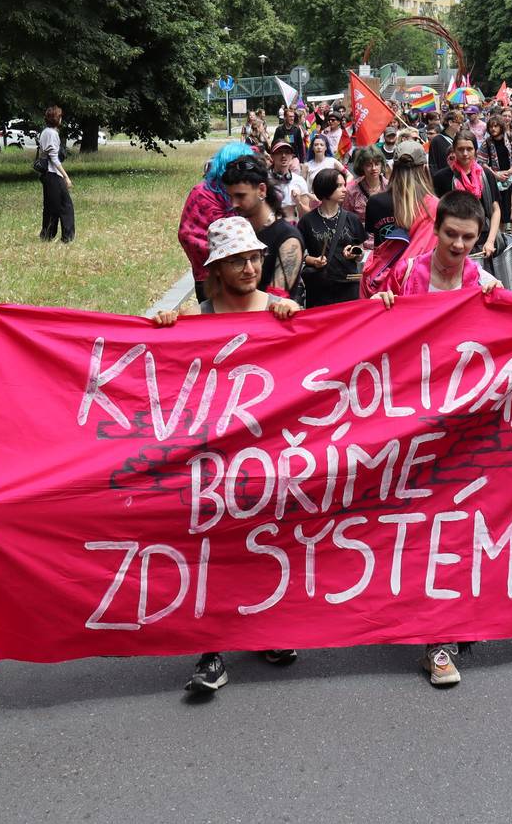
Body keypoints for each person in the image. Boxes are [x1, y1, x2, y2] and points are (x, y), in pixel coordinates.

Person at [152, 218, 300, 693]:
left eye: (255, 257)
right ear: (216, 267)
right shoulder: (199, 318)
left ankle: (269, 631)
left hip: (269, 455)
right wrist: (165, 329)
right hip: (213, 460)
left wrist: (297, 319)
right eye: (238, 259)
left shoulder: (281, 310)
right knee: (214, 551)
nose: (250, 267)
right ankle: (212, 650)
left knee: (268, 543)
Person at [369, 192, 501, 687]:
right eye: (452, 235)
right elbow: (380, 341)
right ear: (436, 228)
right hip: (411, 422)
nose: (461, 246)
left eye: (469, 238)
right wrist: (383, 308)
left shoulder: (483, 282)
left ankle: (440, 640)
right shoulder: (408, 274)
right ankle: (409, 619)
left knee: (454, 526)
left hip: (464, 424)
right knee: (413, 524)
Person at [177, 141, 255, 302]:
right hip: (209, 277)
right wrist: (225, 258)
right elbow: (187, 235)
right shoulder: (201, 193)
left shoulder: (244, 191)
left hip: (245, 274)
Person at [362, 140, 440, 296]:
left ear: (393, 168)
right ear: (424, 168)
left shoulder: (375, 202)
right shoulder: (434, 206)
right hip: (421, 284)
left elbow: (375, 241)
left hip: (383, 287)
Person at [221, 155, 305, 299]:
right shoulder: (237, 231)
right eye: (230, 197)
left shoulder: (288, 239)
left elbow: (276, 300)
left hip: (265, 319)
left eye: (240, 196)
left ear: (261, 190)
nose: (233, 204)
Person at [297, 170, 367, 307]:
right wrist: (314, 261)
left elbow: (361, 252)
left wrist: (355, 252)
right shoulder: (307, 221)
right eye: (339, 186)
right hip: (319, 288)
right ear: (326, 188)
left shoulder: (351, 218)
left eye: (344, 185)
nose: (344, 190)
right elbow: (298, 256)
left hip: (348, 286)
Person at [431, 129, 502, 259]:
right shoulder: (442, 178)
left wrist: (490, 241)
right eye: (460, 149)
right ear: (454, 150)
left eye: (469, 149)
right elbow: (437, 215)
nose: (465, 153)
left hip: (485, 240)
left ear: (475, 150)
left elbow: (495, 210)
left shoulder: (486, 175)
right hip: (455, 243)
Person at [38, 105, 74, 243]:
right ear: (56, 118)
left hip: (46, 175)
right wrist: (66, 177)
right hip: (53, 175)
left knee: (50, 206)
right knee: (66, 206)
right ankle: (67, 238)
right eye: (60, 116)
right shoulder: (52, 134)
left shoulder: (45, 132)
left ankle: (47, 235)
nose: (61, 119)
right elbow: (54, 158)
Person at [343, 146, 388, 250]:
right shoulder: (351, 190)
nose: (374, 168)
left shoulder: (390, 187)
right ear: (361, 166)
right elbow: (346, 220)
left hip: (387, 243)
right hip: (361, 244)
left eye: (377, 164)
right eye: (369, 165)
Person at [479, 116, 512, 227]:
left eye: (496, 126)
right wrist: (495, 175)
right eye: (490, 126)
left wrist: (510, 171)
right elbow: (482, 162)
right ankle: (502, 237)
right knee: (498, 209)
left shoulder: (510, 139)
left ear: (501, 126)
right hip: (496, 181)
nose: (493, 129)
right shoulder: (487, 143)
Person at [268, 140, 310, 222]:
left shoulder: (299, 181)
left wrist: (298, 202)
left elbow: (306, 215)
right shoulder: (264, 180)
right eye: (279, 152)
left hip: (292, 227)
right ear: (272, 156)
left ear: (292, 156)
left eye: (287, 152)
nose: (283, 155)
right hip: (270, 227)